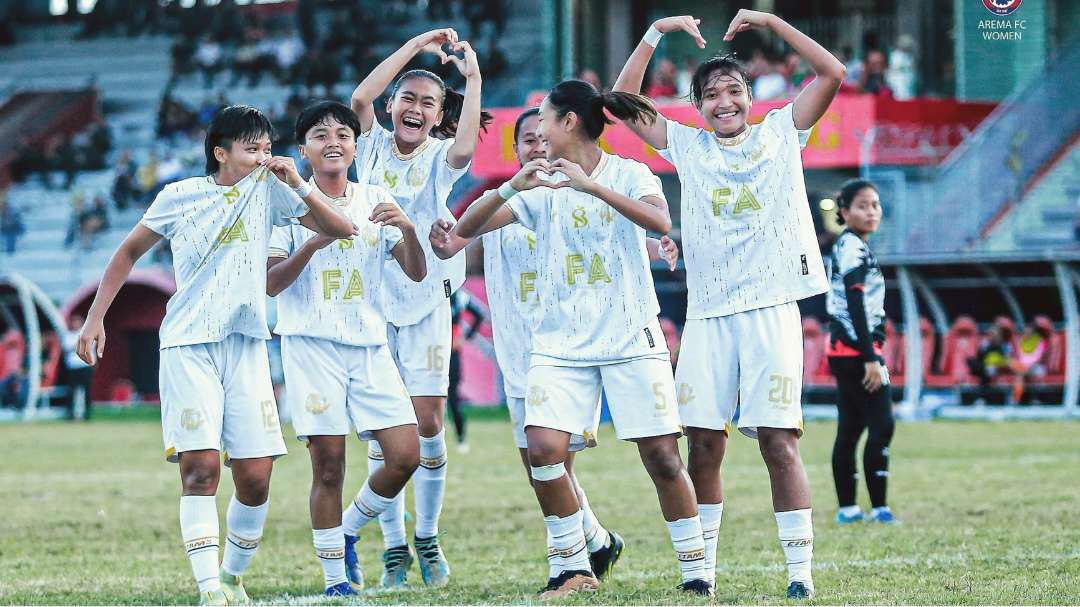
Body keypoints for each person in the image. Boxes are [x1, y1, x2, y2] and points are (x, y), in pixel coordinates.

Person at [75, 105, 356, 606]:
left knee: (255, 476)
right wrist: (96, 317)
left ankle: (231, 576)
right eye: (252, 148)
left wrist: (296, 181)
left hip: (247, 345)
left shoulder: (273, 191)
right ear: (220, 153)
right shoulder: (178, 196)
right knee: (200, 468)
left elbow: (340, 228)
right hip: (188, 345)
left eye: (268, 147)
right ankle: (209, 590)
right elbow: (127, 253)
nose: (264, 157)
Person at [613, 10, 846, 599]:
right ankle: (702, 574)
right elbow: (620, 101)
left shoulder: (780, 130)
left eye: (733, 91)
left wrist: (770, 20)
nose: (723, 101)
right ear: (695, 107)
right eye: (710, 94)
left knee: (778, 443)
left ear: (750, 97)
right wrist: (655, 33)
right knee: (704, 444)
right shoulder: (687, 146)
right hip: (710, 315)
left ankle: (800, 576)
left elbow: (831, 71)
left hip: (772, 310)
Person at [450, 79, 710, 598]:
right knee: (543, 450)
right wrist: (509, 188)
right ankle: (572, 567)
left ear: (568, 122)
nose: (538, 132)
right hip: (558, 343)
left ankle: (697, 571)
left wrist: (589, 187)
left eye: (543, 120)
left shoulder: (630, 173)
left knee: (662, 458)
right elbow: (465, 229)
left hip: (630, 335)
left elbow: (661, 219)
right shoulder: (538, 184)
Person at [346, 28, 490, 588]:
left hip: (426, 295)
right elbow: (359, 100)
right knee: (385, 430)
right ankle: (393, 547)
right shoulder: (372, 142)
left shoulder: (439, 156)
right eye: (409, 98)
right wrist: (412, 48)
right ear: (394, 106)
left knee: (428, 421)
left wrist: (471, 77)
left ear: (436, 117)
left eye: (429, 103)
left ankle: (426, 535)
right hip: (373, 300)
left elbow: (466, 147)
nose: (417, 108)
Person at [265, 101, 427, 597]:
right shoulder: (284, 205)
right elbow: (270, 283)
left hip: (369, 345)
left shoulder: (376, 198)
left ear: (356, 146)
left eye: (343, 133)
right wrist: (311, 245)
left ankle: (350, 529)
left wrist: (409, 228)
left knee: (405, 455)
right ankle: (336, 581)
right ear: (302, 150)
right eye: (320, 134)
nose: (333, 141)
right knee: (329, 465)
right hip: (311, 346)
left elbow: (417, 272)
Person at [824, 180, 898, 525]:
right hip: (856, 352)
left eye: (876, 205)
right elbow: (854, 301)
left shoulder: (852, 245)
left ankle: (848, 509)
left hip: (846, 350)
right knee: (882, 423)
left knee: (851, 427)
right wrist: (871, 357)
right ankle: (879, 508)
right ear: (844, 212)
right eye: (863, 205)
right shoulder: (852, 246)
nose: (872, 212)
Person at [446, 287, 486, 453]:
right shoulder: (430, 291)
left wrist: (464, 337)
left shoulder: (458, 296)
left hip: (452, 354)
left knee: (453, 397)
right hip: (430, 353)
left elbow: (479, 315)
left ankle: (461, 438)